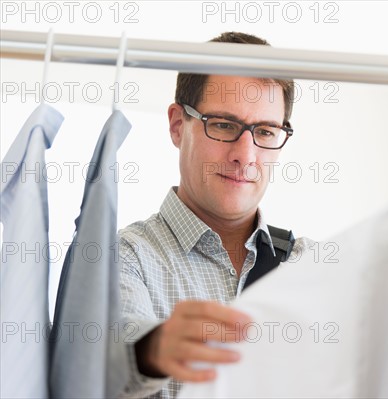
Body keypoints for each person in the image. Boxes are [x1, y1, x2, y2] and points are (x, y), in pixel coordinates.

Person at [118, 32, 312, 399]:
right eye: (224, 125)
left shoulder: (313, 265)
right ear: (178, 125)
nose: (246, 154)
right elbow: (101, 366)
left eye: (266, 131)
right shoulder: (125, 258)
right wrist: (151, 352)